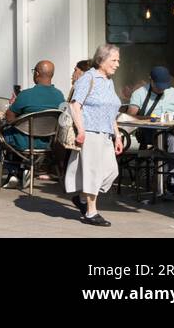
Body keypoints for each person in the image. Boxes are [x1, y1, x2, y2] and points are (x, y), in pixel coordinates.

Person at [65, 43, 124, 226]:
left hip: (105, 134)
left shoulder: (109, 82)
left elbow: (111, 111)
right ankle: (91, 212)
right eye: (114, 60)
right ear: (101, 60)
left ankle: (82, 198)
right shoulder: (88, 78)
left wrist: (117, 135)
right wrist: (81, 131)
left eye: (118, 60)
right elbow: (75, 106)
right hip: (90, 133)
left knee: (111, 172)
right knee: (92, 173)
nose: (117, 64)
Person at [0, 60, 65, 186]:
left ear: (36, 73)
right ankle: (21, 172)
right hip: (48, 143)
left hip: (23, 141)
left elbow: (9, 117)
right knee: (12, 135)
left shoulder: (26, 94)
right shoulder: (59, 95)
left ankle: (16, 171)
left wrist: (19, 117)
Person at [127, 65, 174, 202]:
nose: (162, 89)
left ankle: (172, 181)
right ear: (150, 80)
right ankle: (172, 183)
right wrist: (151, 118)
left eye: (164, 86)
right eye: (159, 85)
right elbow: (130, 116)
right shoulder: (140, 93)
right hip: (149, 132)